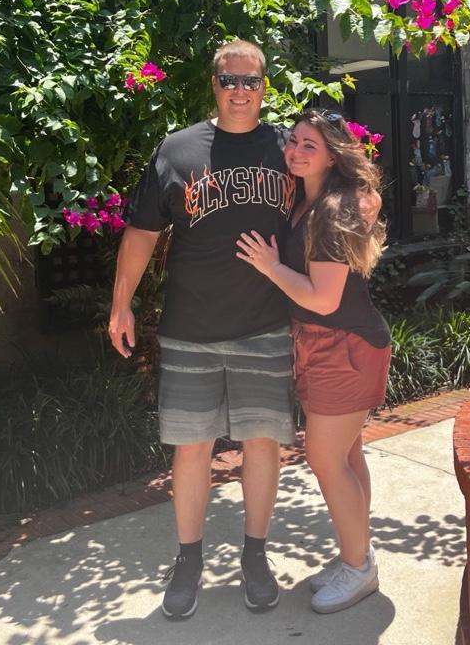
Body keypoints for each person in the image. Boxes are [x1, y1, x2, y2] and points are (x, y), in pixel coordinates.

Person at [108, 40, 296, 620]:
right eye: (229, 80)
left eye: (251, 81)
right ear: (213, 84)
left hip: (266, 326)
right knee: (192, 449)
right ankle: (188, 560)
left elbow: (334, 201)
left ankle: (255, 555)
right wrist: (121, 305)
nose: (240, 91)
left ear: (264, 86)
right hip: (191, 328)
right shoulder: (178, 149)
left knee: (262, 444)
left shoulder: (287, 148)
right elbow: (142, 232)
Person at [236, 108, 391, 614]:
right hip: (326, 342)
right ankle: (356, 554)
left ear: (331, 155)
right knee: (346, 456)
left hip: (343, 345)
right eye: (294, 141)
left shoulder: (332, 210)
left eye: (310, 145)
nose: (296, 151)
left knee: (325, 459)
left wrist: (269, 266)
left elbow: (323, 298)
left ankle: (359, 567)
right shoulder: (310, 201)